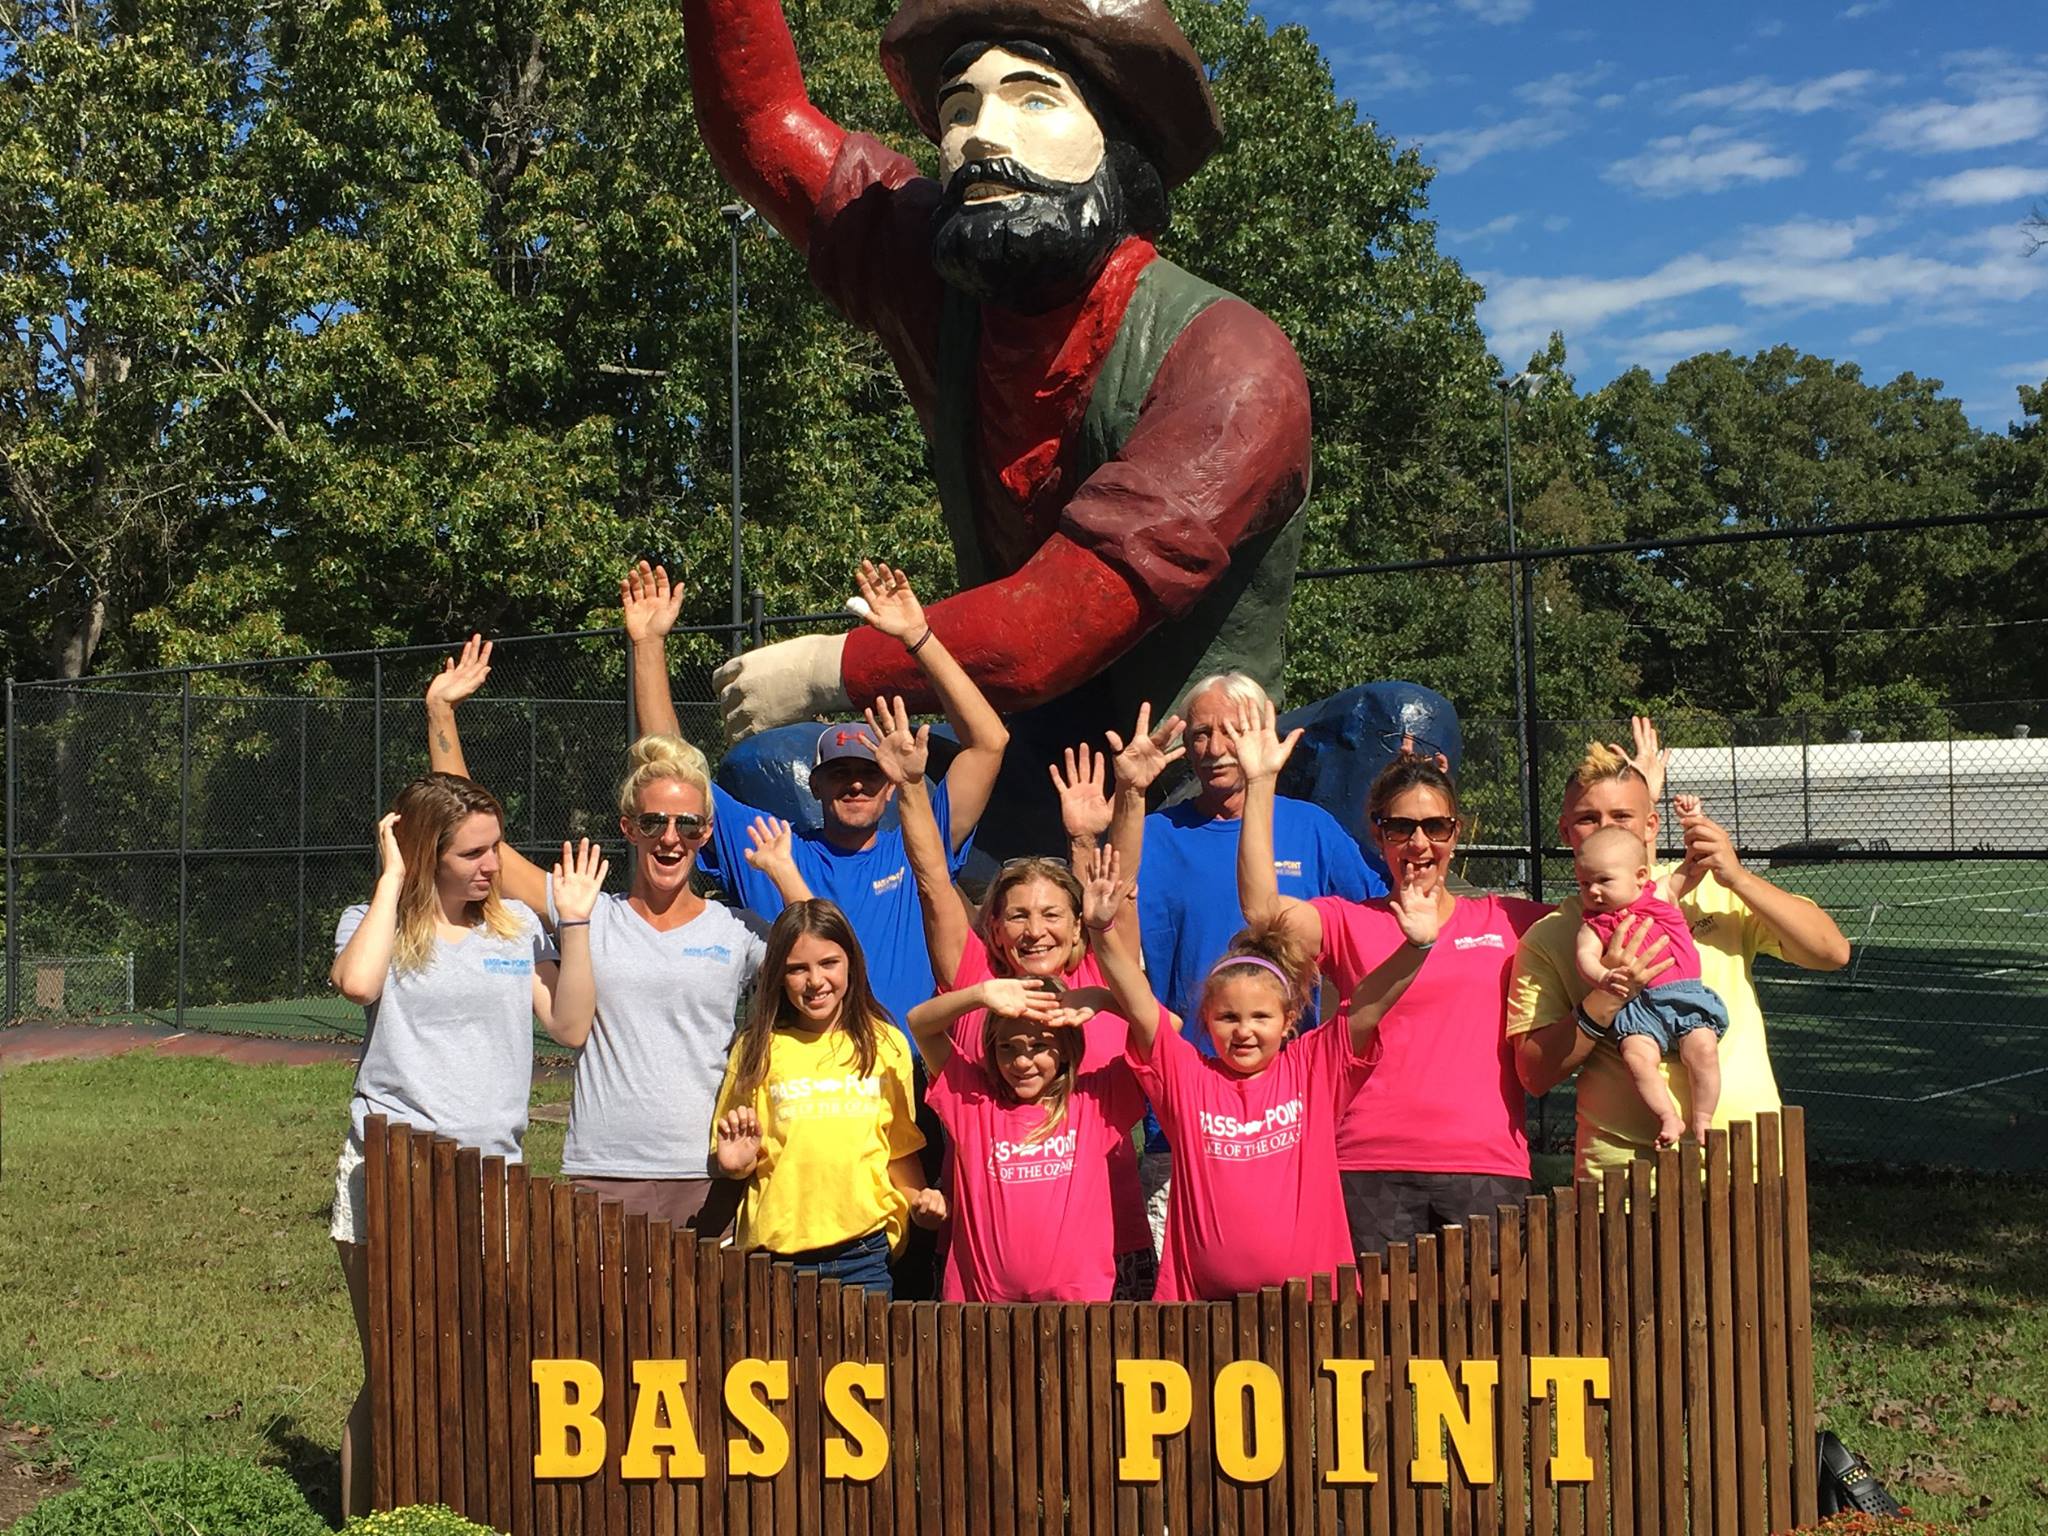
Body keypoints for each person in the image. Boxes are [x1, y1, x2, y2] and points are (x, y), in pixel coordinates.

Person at [682, 0, 1313, 858]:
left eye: (1032, 99)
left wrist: (829, 668)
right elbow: (761, 119)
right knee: (768, 777)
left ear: (1118, 140)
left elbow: (1054, 624)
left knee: (1400, 723)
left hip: (1186, 785)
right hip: (1017, 755)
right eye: (958, 108)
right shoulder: (939, 285)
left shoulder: (1232, 361)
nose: (979, 135)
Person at [423, 645, 803, 1231]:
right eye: (653, 822)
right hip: (601, 1171)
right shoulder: (586, 910)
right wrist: (440, 713)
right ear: (629, 827)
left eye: (688, 824)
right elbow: (481, 843)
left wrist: (784, 876)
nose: (669, 837)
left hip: (707, 1171)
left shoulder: (738, 931)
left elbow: (822, 953)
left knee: (692, 1326)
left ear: (705, 833)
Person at [623, 560, 1006, 1033]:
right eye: (840, 773)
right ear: (815, 784)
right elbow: (672, 766)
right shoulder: (770, 847)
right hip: (806, 1086)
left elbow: (990, 742)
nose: (856, 784)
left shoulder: (920, 848)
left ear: (891, 785)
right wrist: (647, 645)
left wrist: (918, 638)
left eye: (869, 774)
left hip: (907, 1080)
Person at [327, 773, 570, 1517]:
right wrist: (392, 875)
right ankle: (366, 1522)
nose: (491, 865)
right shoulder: (372, 922)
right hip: (392, 1171)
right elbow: (358, 984)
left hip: (495, 1173)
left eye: (494, 847)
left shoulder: (516, 930)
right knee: (394, 1364)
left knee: (483, 1357)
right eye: (471, 853)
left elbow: (566, 1022)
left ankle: (462, 1509)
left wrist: (579, 927)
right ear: (430, 852)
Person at [872, 691, 1162, 1297]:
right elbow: (931, 882)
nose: (1035, 931)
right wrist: (911, 789)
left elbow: (1118, 892)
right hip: (990, 1257)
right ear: (994, 926)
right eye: (1018, 915)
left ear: (1078, 924)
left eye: (1052, 914)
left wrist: (1126, 803)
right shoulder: (978, 974)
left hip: (1109, 1241)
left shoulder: (1102, 976)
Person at [1233, 703, 1550, 1257]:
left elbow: (1617, 906)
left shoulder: (1508, 921)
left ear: (1457, 832)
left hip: (1485, 1166)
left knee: (1485, 1339)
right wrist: (1260, 783)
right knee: (1376, 1337)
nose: (1419, 844)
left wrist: (1639, 824)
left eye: (1436, 826)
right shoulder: (1350, 920)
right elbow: (1262, 912)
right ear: (1378, 836)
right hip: (1368, 1164)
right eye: (1401, 827)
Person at [1085, 840, 1436, 1302]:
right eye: (1228, 1018)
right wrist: (1101, 929)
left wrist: (1417, 946)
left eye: (1261, 1018)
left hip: (1314, 1312)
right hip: (1203, 1312)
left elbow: (1367, 1006)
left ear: (1289, 1020)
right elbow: (1137, 1004)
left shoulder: (1313, 1067)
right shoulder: (1187, 1076)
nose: (1244, 1032)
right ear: (1206, 1021)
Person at [1508, 734, 1853, 1178]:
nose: (1608, 827)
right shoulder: (1551, 936)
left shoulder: (1710, 891)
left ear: (1651, 825)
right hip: (1623, 1180)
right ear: (1565, 831)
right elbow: (1534, 1074)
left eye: (1623, 815)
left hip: (1749, 1165)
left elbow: (1832, 952)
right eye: (1588, 819)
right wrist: (1606, 997)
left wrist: (1738, 877)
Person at [1136, 671, 1386, 1248]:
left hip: (1293, 1108)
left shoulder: (1312, 828)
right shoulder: (1156, 836)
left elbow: (1383, 922)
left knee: (1290, 1282)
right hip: (1187, 1108)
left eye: (1231, 729)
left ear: (1264, 727)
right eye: (1200, 733)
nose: (1215, 747)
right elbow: (1108, 933)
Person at [710, 900, 944, 1294]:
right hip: (776, 1259)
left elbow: (899, 1149)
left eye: (828, 963)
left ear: (851, 962)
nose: (815, 980)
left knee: (863, 1358)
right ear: (779, 977)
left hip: (864, 1255)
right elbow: (734, 1152)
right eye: (797, 969)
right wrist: (734, 1165)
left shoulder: (886, 1044)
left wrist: (920, 1205)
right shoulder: (757, 1048)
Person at [904, 973, 1142, 1301]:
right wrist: (979, 993)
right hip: (983, 1315)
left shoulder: (1096, 1102)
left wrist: (1104, 999)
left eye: (1039, 1046)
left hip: (1080, 1313)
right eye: (1007, 1047)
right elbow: (919, 1023)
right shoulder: (973, 1101)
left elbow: (1164, 1033)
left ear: (1064, 1047)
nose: (1021, 1061)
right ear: (991, 1047)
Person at [1573, 817, 1729, 1148]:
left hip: (1682, 996)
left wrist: (1695, 822)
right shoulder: (1593, 924)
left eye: (1604, 881)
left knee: (1703, 1048)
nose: (1593, 891)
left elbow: (1693, 868)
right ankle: (1667, 1116)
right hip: (1638, 1007)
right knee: (1636, 1056)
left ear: (1640, 877)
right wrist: (1603, 976)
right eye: (1584, 884)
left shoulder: (1660, 893)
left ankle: (1703, 1117)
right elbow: (1585, 957)